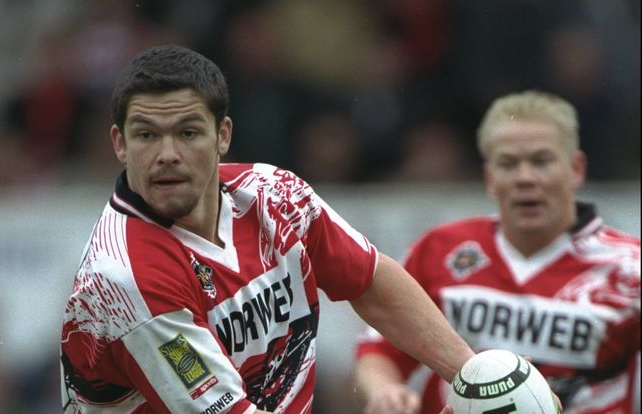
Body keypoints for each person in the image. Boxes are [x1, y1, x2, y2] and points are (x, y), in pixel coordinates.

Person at [59, 44, 476, 414]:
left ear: (222, 136)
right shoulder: (123, 278)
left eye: (188, 133)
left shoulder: (273, 192)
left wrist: (474, 377)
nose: (167, 154)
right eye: (147, 135)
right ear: (120, 144)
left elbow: (370, 282)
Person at [353, 90, 640, 414]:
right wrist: (386, 392)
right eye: (508, 163)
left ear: (576, 169)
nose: (525, 178)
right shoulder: (440, 249)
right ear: (490, 178)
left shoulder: (630, 267)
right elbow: (379, 351)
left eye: (541, 161)